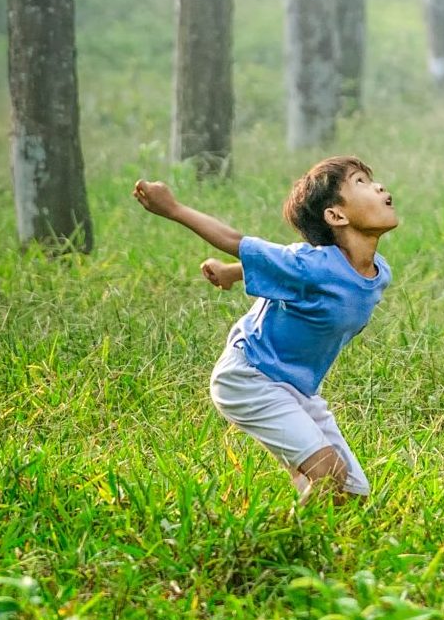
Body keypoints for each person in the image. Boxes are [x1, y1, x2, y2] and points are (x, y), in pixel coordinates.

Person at [133, 158, 397, 499]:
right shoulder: (310, 264)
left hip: (297, 389)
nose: (378, 187)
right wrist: (172, 208)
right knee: (329, 478)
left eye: (372, 181)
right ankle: (272, 545)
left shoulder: (379, 272)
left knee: (352, 492)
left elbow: (283, 272)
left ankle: (307, 501)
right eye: (360, 182)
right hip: (250, 377)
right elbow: (236, 240)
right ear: (336, 216)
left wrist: (231, 272)